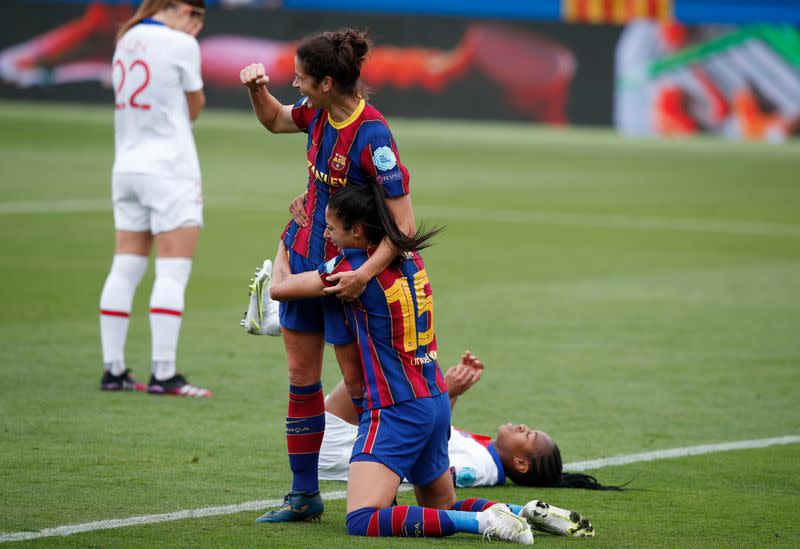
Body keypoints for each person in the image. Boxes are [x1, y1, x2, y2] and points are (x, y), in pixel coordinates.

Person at [266, 184, 594, 541]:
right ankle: (523, 512)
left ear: (358, 232)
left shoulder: (348, 269)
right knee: (440, 506)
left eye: (333, 228)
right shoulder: (412, 258)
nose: (326, 234)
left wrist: (285, 244)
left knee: (362, 518)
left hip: (397, 407)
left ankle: (483, 523)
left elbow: (280, 289)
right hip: (435, 398)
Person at [239, 29, 419, 521]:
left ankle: (383, 487)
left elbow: (404, 226)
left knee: (359, 384)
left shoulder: (374, 135)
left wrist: (363, 275)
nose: (292, 82)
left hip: (345, 275)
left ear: (324, 82)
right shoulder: (315, 112)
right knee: (302, 378)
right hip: (303, 255)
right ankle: (303, 496)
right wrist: (256, 88)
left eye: (299, 76)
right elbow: (275, 119)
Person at [98, 0, 210, 397]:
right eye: (195, 14)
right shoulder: (182, 44)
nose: (196, 23)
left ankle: (113, 370)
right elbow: (195, 108)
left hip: (126, 165)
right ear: (178, 7)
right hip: (170, 167)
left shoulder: (126, 37)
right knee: (172, 271)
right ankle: (164, 373)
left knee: (125, 266)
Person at [321, 351, 620, 498]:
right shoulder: (483, 453)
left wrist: (444, 391)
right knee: (393, 362)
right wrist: (451, 392)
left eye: (527, 435)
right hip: (357, 439)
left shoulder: (479, 470)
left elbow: (429, 466)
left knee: (388, 360)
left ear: (521, 463)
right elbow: (437, 439)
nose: (521, 426)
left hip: (343, 448)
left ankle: (288, 314)